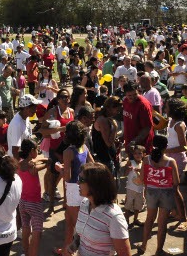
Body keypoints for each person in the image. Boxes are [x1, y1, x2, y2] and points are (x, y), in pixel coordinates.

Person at [64, 162, 130, 256]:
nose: (77, 182)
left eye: (81, 179)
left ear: (95, 184)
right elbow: (81, 235)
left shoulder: (114, 217)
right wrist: (72, 246)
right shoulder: (84, 204)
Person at [137, 135, 178, 256]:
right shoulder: (170, 162)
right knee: (162, 223)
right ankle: (159, 250)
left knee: (149, 219)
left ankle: (144, 245)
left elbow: (142, 178)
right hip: (166, 193)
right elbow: (176, 182)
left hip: (151, 192)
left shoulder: (147, 159)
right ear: (166, 147)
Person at [58, 121, 95, 254]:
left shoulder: (68, 152)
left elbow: (67, 177)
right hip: (83, 187)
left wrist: (59, 169)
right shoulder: (84, 147)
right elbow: (93, 165)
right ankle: (65, 251)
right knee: (69, 223)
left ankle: (78, 251)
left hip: (73, 190)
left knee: (77, 227)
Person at [164, 98, 187, 232]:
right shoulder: (171, 121)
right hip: (170, 157)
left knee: (174, 189)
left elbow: (184, 147)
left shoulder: (179, 125)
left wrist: (166, 151)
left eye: (167, 107)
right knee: (169, 189)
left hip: (178, 160)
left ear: (173, 109)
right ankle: (175, 212)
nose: (165, 109)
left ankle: (184, 218)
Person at [17, 139, 48, 256]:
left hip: (23, 202)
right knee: (37, 231)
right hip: (34, 203)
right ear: (31, 151)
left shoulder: (20, 163)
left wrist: (37, 159)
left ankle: (26, 252)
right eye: (37, 150)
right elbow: (46, 162)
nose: (38, 152)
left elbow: (36, 160)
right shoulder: (32, 166)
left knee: (25, 227)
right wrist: (48, 162)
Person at [122, 81, 154, 153]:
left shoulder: (143, 105)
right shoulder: (125, 101)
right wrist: (123, 136)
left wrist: (134, 141)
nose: (133, 97)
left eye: (135, 94)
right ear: (125, 94)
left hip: (141, 146)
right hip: (130, 141)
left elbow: (147, 127)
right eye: (130, 95)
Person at [92, 96, 121, 175]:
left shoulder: (106, 118)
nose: (118, 112)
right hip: (105, 158)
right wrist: (115, 128)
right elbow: (108, 143)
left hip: (108, 156)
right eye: (117, 109)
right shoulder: (103, 120)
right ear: (109, 108)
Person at [6, 94, 39, 160]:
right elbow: (15, 151)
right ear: (26, 108)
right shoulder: (17, 124)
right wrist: (21, 167)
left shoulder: (25, 117)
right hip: (18, 162)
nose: (36, 110)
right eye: (34, 108)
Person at [123, 145, 146, 228]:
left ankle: (136, 219)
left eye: (140, 153)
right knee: (128, 205)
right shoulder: (130, 162)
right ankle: (126, 220)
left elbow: (145, 177)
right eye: (135, 153)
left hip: (140, 189)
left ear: (143, 154)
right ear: (133, 154)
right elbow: (125, 174)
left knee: (138, 205)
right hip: (130, 189)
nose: (137, 155)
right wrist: (128, 169)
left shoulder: (144, 164)